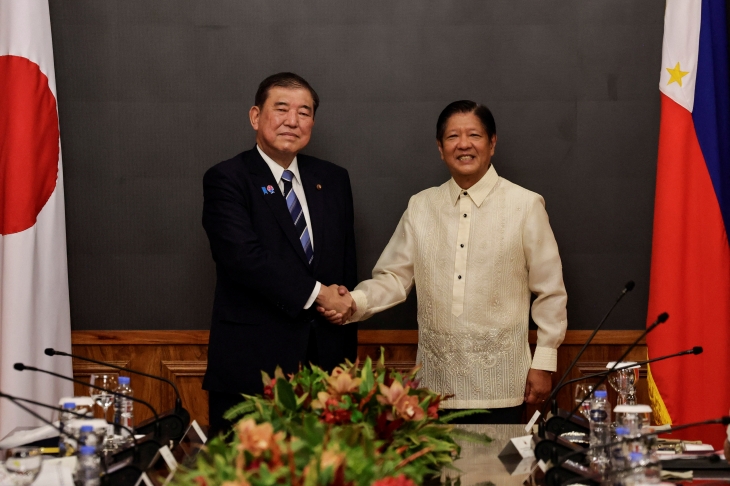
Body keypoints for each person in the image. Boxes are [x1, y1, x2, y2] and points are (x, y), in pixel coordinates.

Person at [320, 100, 567, 424]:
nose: (463, 144)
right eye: (453, 136)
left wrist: (544, 362)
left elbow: (551, 291)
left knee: (498, 460)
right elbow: (394, 278)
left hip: (504, 385)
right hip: (433, 388)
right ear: (440, 148)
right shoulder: (421, 205)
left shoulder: (525, 205)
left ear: (492, 143)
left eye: (474, 135)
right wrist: (354, 302)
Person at [202, 72, 358, 436]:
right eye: (282, 109)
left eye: (304, 112)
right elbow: (243, 258)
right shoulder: (228, 178)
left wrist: (344, 311)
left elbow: (345, 262)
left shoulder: (333, 179)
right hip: (253, 368)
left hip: (326, 370)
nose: (292, 120)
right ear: (256, 116)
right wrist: (319, 294)